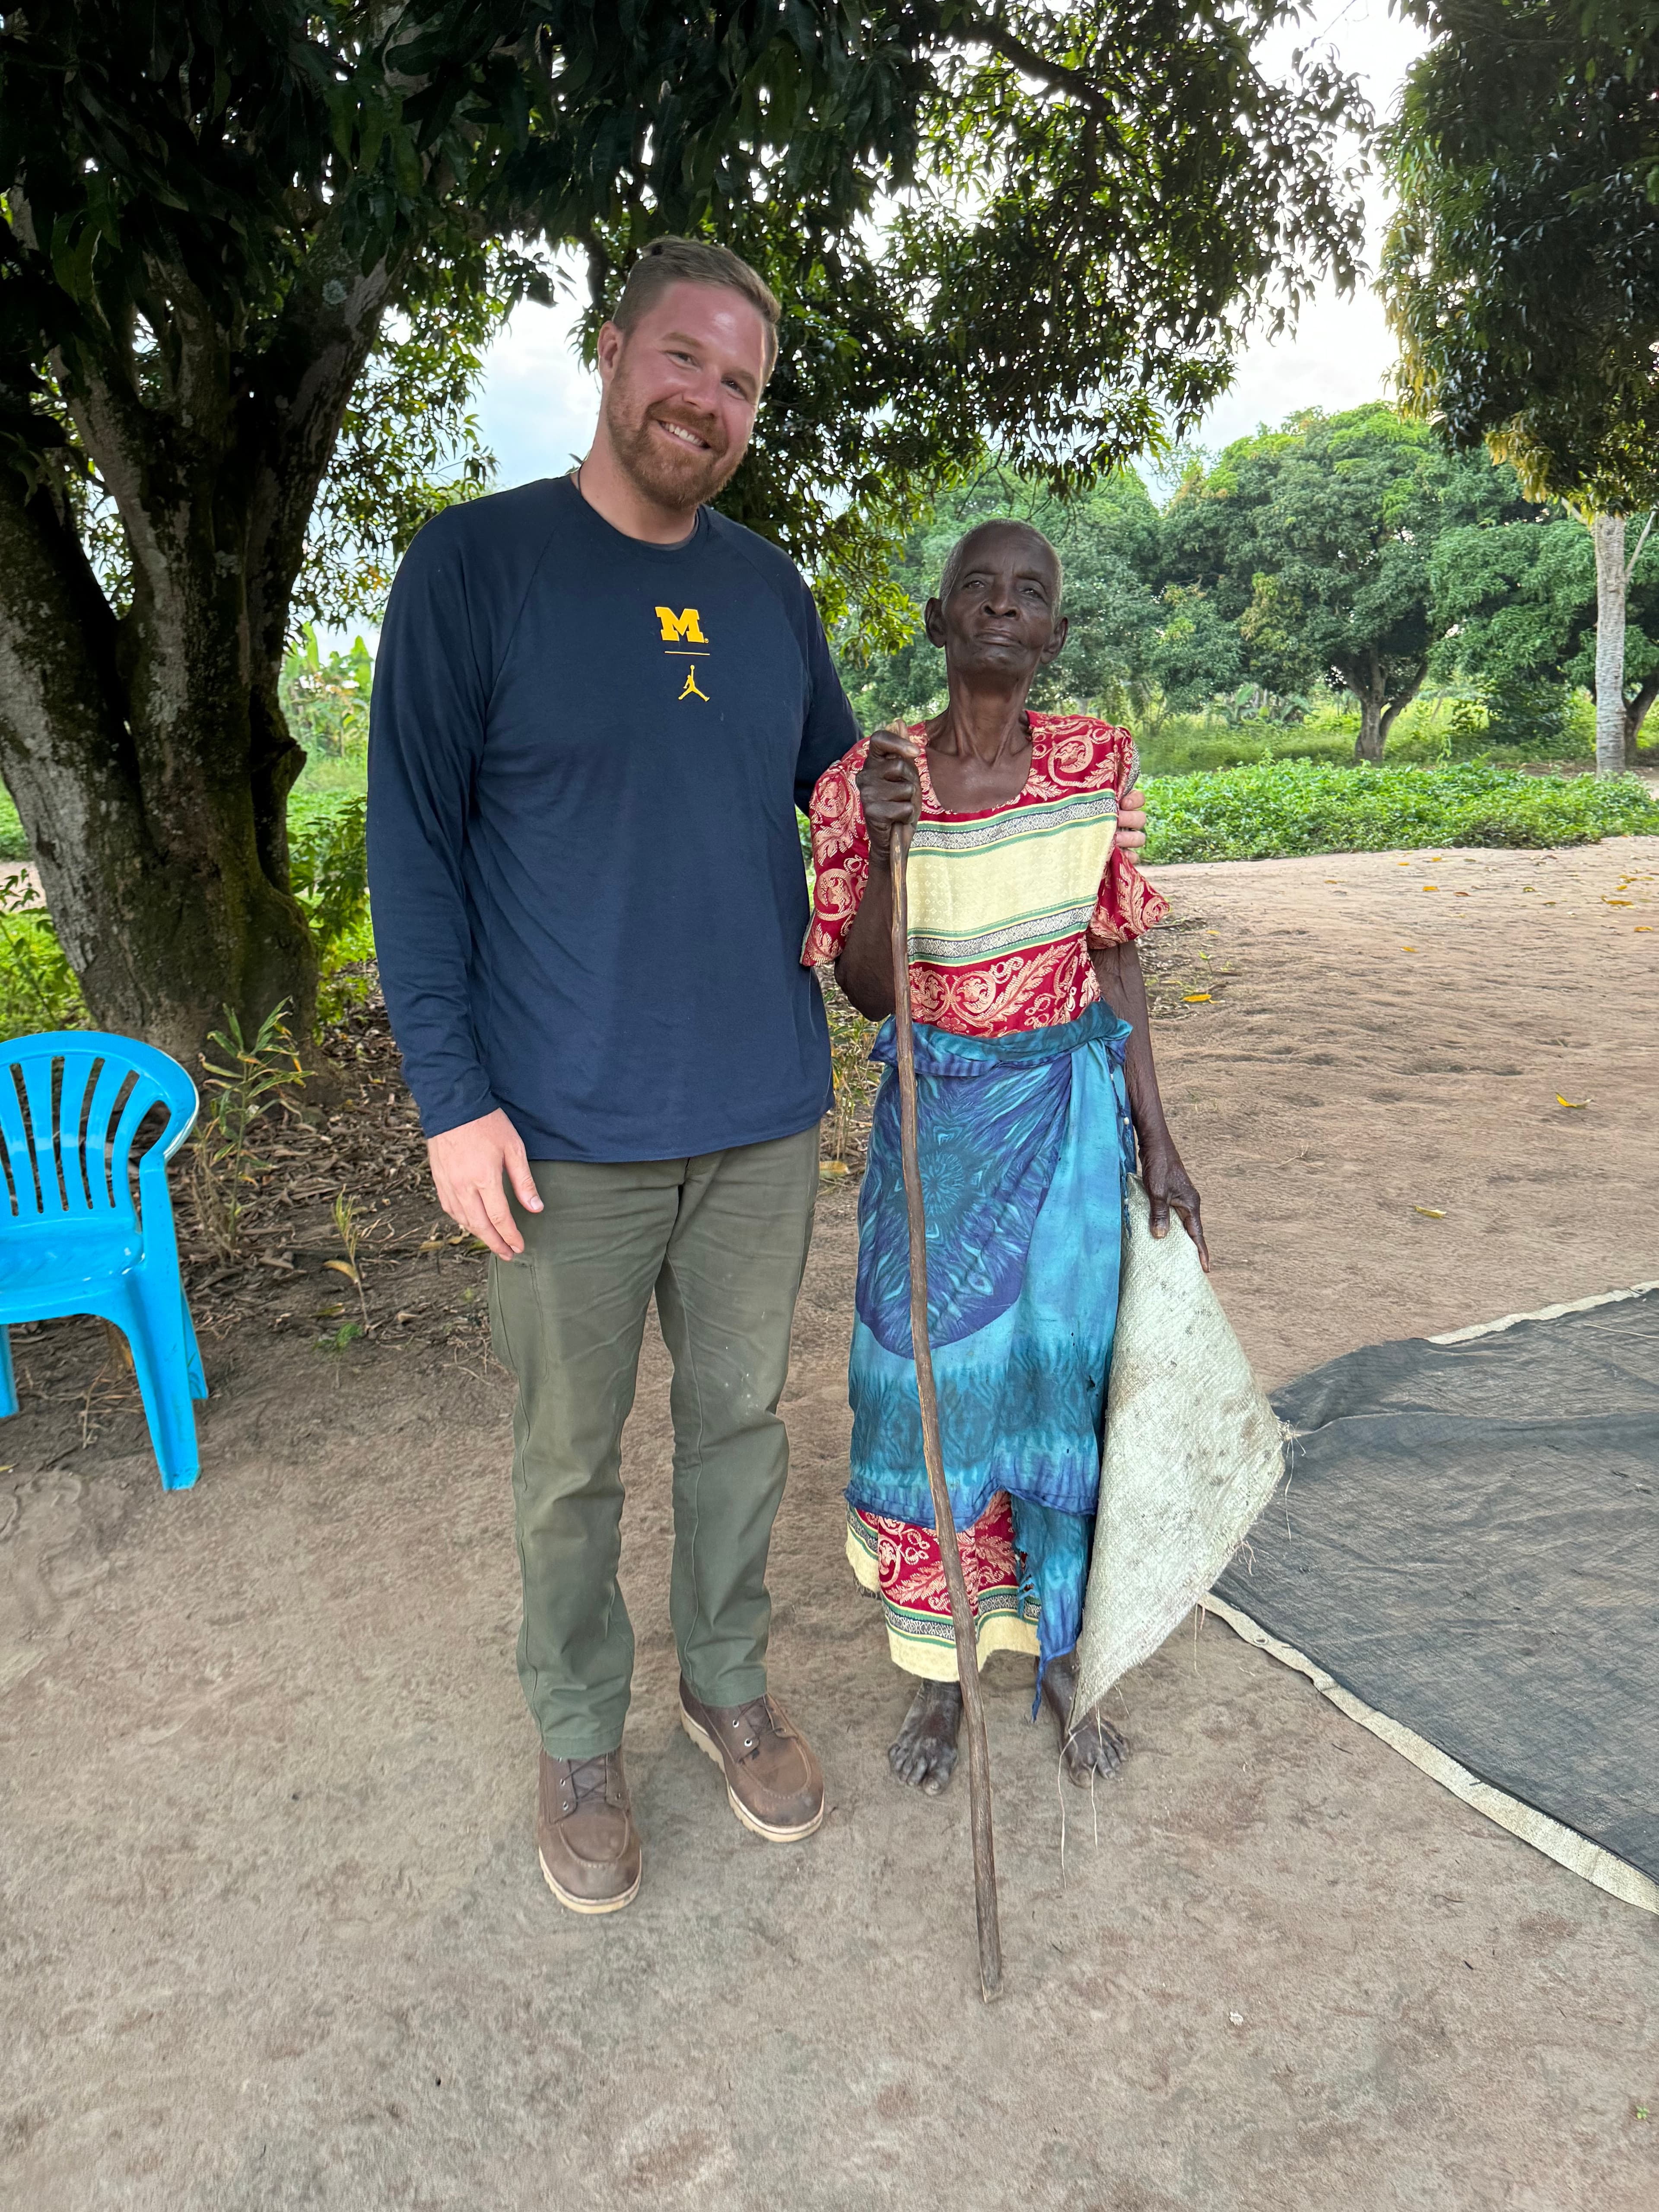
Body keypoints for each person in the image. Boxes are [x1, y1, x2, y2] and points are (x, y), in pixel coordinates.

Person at [369, 235, 1150, 1911]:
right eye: (685, 360)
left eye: (738, 385)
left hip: (759, 1108)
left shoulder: (765, 589)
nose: (706, 402)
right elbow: (413, 850)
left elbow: (862, 792)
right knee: (568, 1452)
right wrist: (452, 1097)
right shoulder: (475, 567)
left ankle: (725, 1682)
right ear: (612, 349)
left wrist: (1024, 772)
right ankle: (581, 1732)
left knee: (737, 1426)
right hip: (556, 1129)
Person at [802, 517, 1205, 1795]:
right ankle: (942, 1671)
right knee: (916, 1395)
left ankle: (1069, 1661)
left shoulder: (1097, 765)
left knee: (1064, 1402)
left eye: (1031, 593)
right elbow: (871, 993)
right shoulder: (866, 779)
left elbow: (1117, 954)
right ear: (937, 619)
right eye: (978, 586)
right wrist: (884, 847)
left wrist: (1162, 1144)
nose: (1004, 606)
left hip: (1076, 1130)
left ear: (1056, 636)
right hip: (939, 1127)